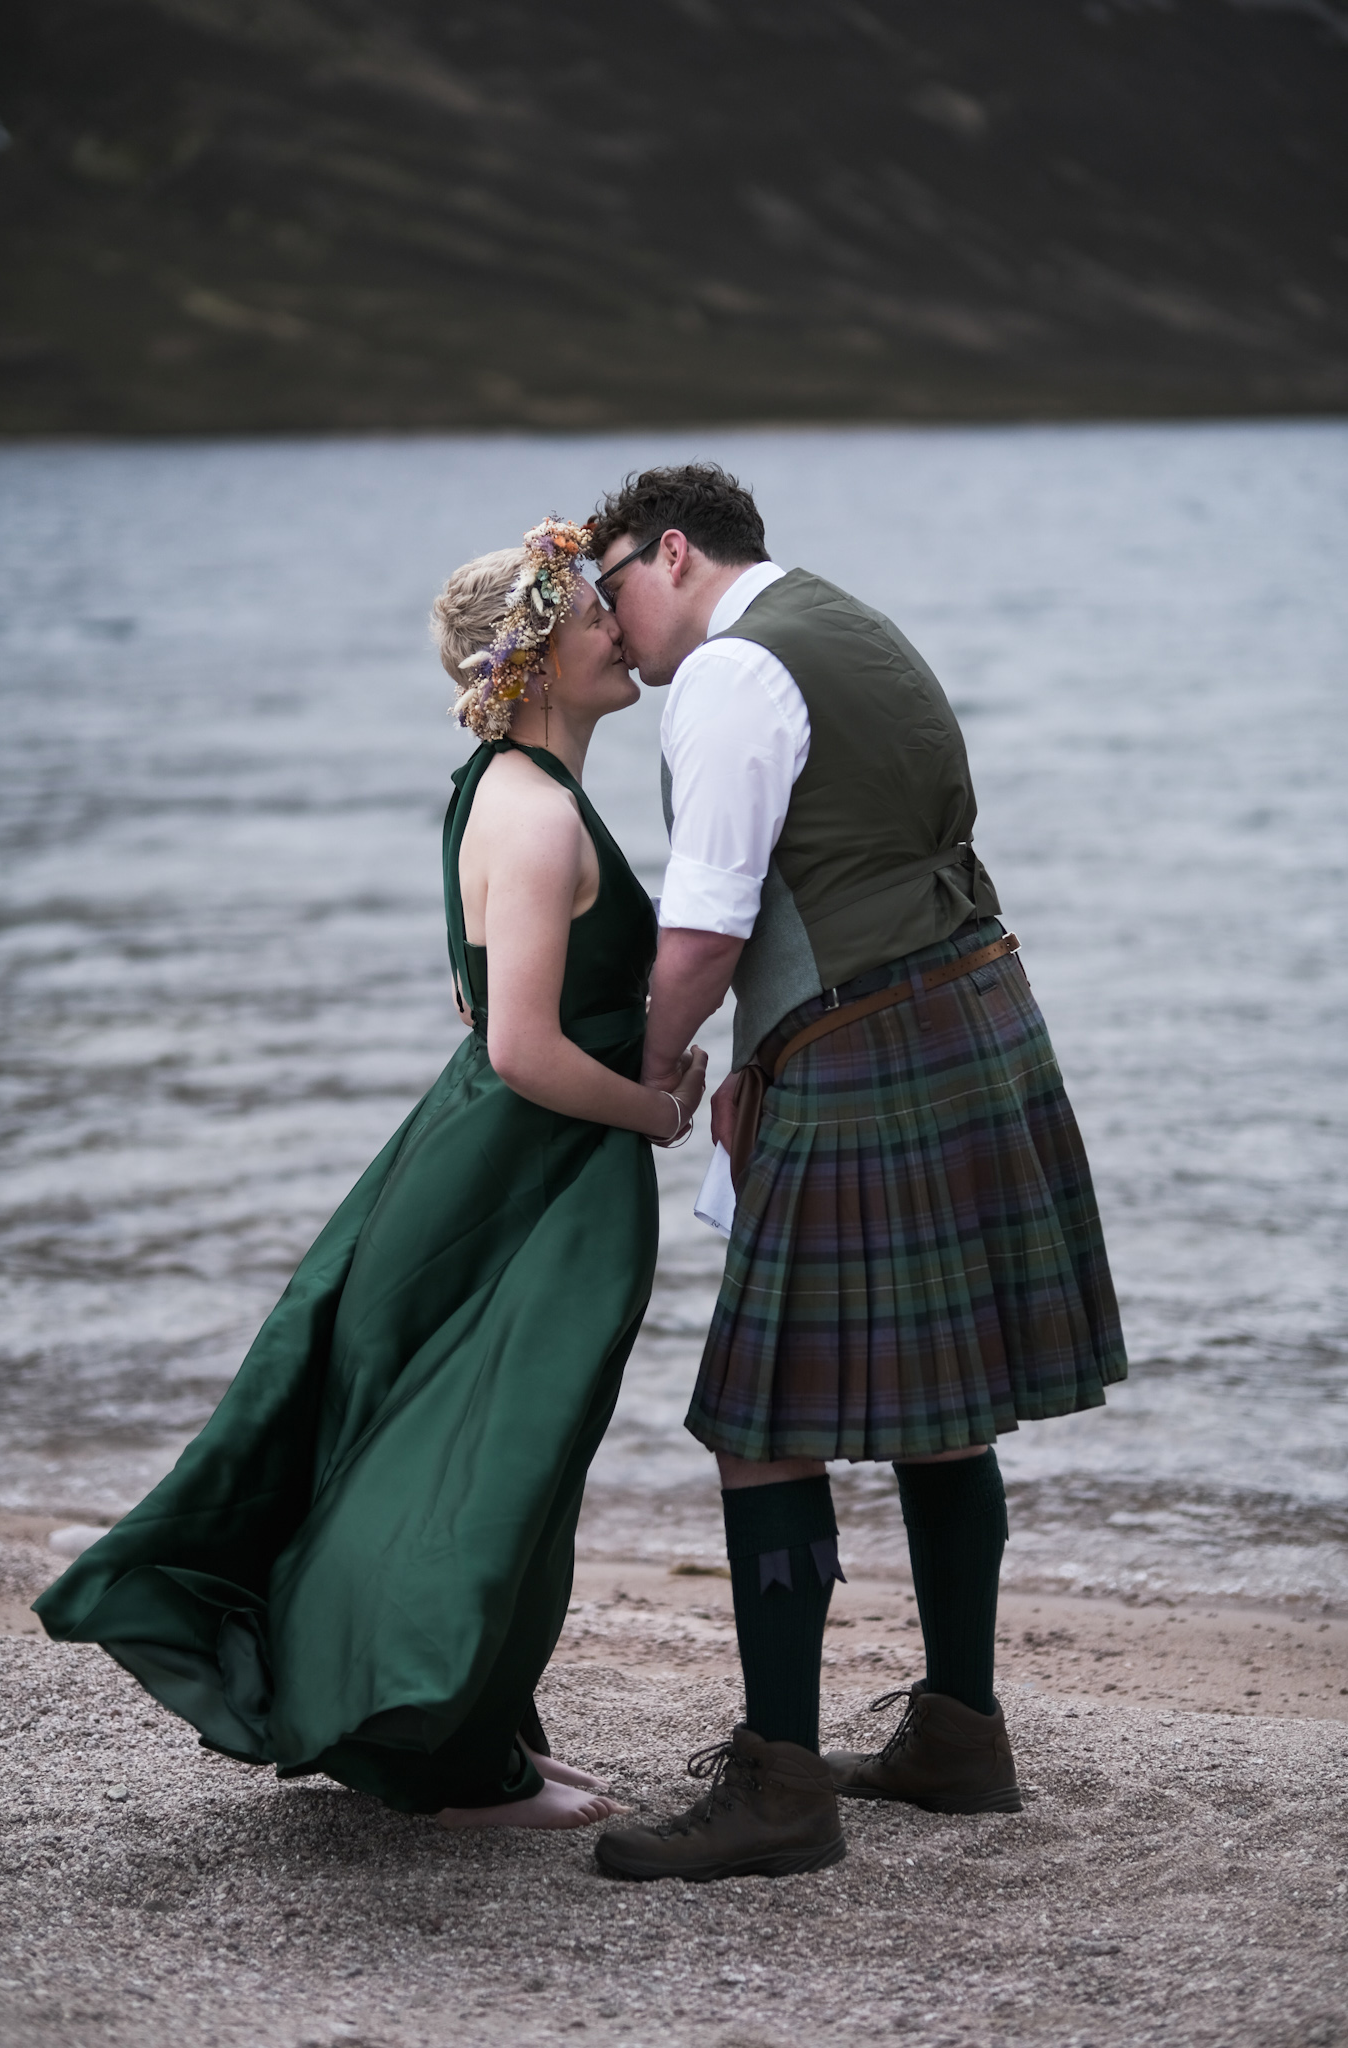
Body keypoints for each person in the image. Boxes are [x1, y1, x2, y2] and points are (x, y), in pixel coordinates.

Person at [34, 518, 707, 1832]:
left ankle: (480, 1733)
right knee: (488, 1457)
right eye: (590, 617)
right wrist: (653, 1109)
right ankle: (443, 1759)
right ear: (528, 664)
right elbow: (518, 1048)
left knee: (502, 1455)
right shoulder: (525, 814)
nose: (620, 629)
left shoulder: (525, 792)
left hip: (534, 1171)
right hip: (522, 1175)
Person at [588, 466, 1127, 1883]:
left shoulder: (728, 672)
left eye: (615, 587)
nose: (613, 627)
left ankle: (777, 1786)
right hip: (963, 1004)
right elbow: (846, 862)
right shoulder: (848, 623)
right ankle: (959, 1732)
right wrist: (759, 1056)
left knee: (762, 1423)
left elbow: (702, 931)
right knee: (941, 1415)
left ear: (675, 553)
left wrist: (648, 1076)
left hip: (872, 1040)